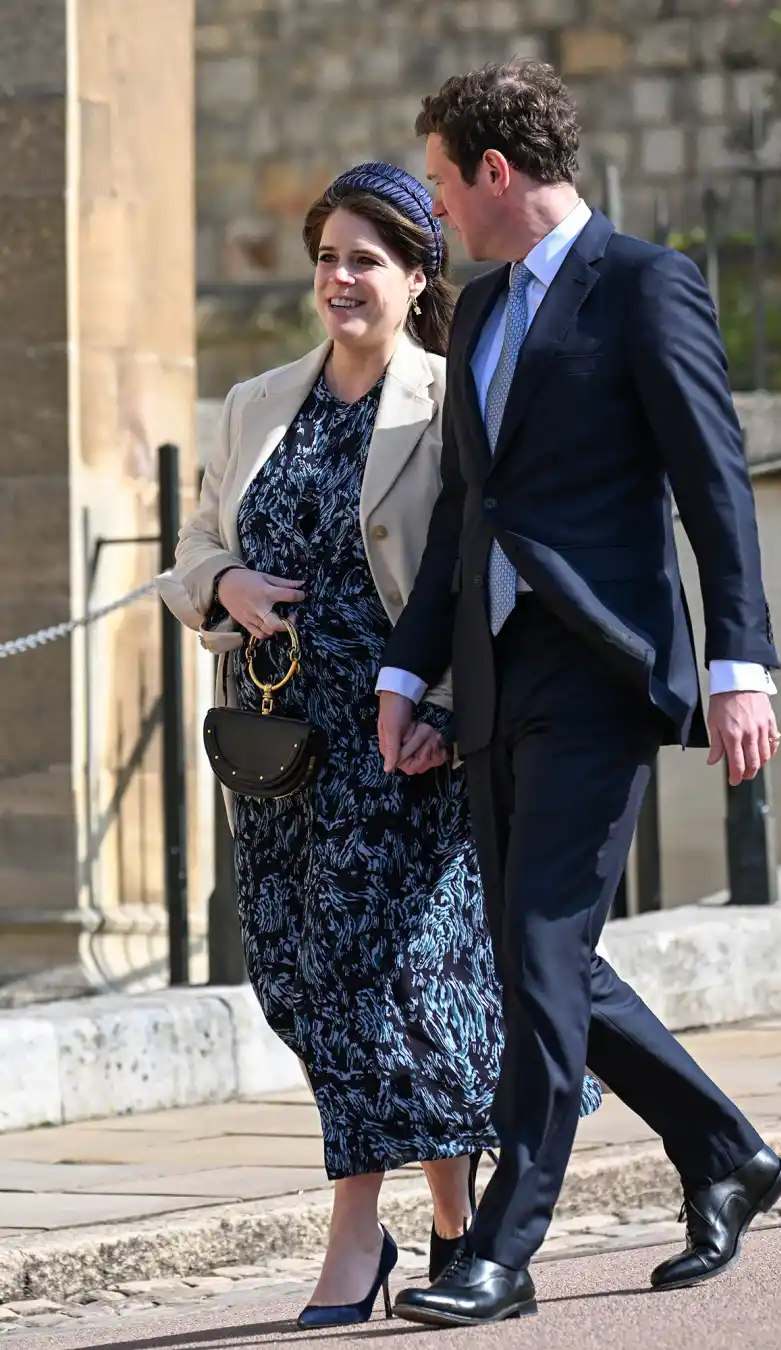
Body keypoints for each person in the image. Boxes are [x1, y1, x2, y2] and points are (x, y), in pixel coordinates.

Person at [376, 62, 781, 1329]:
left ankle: (501, 1250)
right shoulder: (480, 309)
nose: (435, 208)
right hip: (496, 674)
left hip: (605, 672)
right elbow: (467, 507)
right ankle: (726, 1150)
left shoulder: (646, 284)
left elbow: (714, 484)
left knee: (541, 952)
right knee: (536, 954)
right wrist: (408, 669)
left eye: (442, 181)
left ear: (497, 172)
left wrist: (738, 665)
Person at [157, 161, 601, 1331]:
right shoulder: (257, 401)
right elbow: (192, 546)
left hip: (402, 739)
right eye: (327, 259)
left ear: (416, 278)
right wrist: (226, 583)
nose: (340, 279)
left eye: (366, 260)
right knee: (298, 978)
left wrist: (449, 704)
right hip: (278, 746)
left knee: (376, 978)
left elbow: (483, 570)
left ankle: (356, 1240)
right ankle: (455, 1221)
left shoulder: (453, 397)